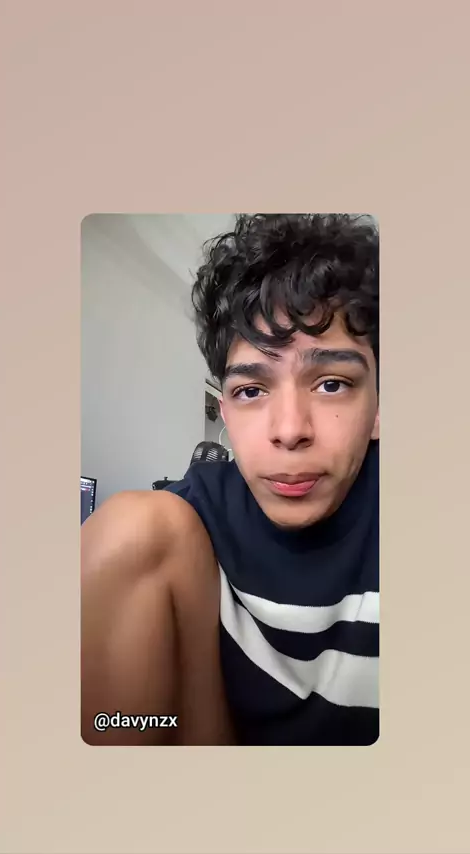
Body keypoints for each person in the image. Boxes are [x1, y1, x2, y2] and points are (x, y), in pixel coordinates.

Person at [81, 213, 379, 746]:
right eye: (251, 391)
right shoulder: (181, 526)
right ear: (225, 412)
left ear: (379, 408)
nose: (289, 430)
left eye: (332, 383)